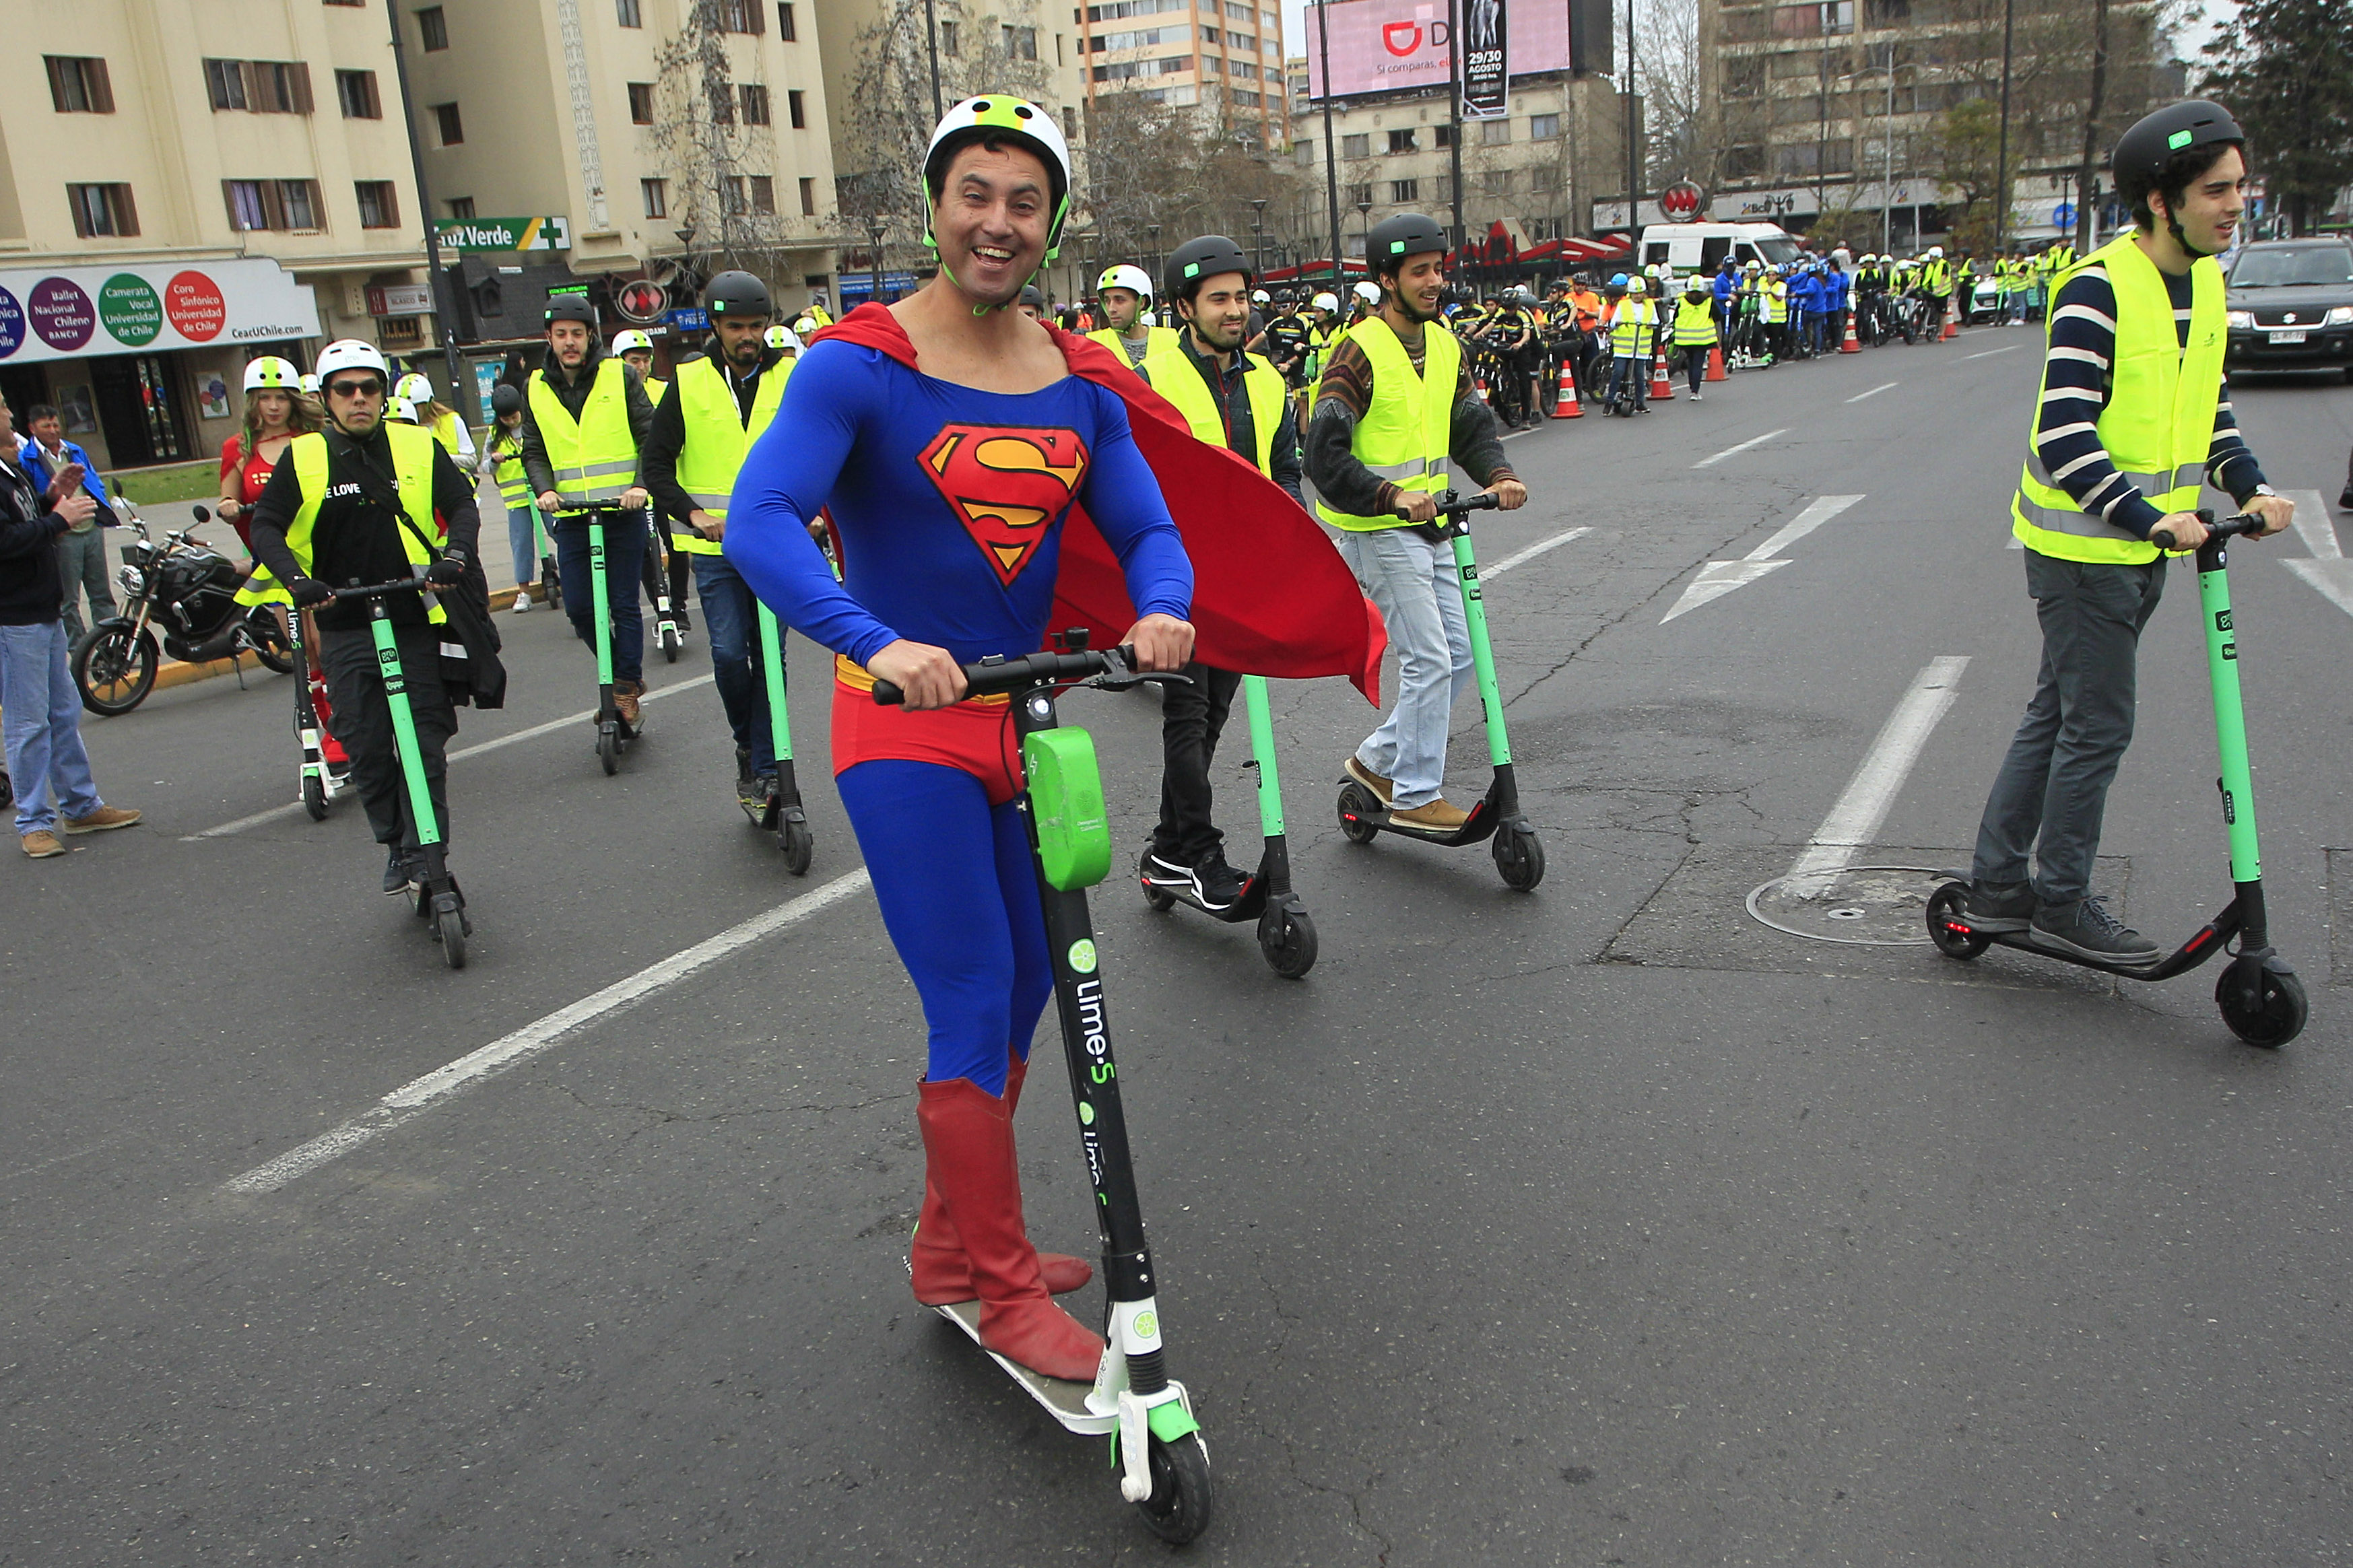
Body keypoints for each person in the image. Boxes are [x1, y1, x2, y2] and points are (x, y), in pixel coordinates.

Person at [728, 96, 1197, 1385]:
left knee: (1034, 989)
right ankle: (997, 1290)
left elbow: (1148, 528)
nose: (998, 221)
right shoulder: (855, 364)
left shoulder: (1076, 375)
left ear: (1051, 222)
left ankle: (951, 1244)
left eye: (1024, 200)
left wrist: (1162, 606)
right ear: (934, 205)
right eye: (974, 193)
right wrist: (869, 637)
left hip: (1022, 727)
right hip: (904, 731)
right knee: (969, 998)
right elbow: (759, 517)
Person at [1964, 100, 2294, 962]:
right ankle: (2057, 897)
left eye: (2239, 187)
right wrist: (2152, 518)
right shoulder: (2095, 288)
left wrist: (2251, 488)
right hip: (2084, 551)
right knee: (2095, 724)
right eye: (2215, 191)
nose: (2234, 204)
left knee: (2058, 715)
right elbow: (2062, 433)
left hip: (2144, 547)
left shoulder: (2209, 283)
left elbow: (2206, 415)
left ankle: (1999, 885)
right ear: (2159, 198)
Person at [1306, 211, 1525, 832]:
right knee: (1428, 658)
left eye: (1438, 270)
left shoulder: (1447, 343)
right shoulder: (1359, 350)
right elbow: (1325, 452)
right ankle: (1415, 793)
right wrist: (1389, 495)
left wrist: (1498, 475)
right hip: (1377, 528)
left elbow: (1470, 424)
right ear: (1387, 278)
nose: (1434, 282)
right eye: (1419, 272)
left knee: (1460, 655)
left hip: (1434, 525)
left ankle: (1377, 761)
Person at [244, 340, 480, 892]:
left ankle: (432, 854)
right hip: (345, 623)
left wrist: (456, 556)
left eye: (368, 387)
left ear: (382, 392)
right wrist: (298, 582)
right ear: (327, 399)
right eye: (345, 390)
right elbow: (266, 527)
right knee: (367, 746)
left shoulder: (418, 445)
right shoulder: (303, 457)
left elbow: (463, 504)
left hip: (413, 616)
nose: (358, 399)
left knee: (424, 745)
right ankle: (399, 845)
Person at [1133, 233, 1306, 908]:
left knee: (1211, 714)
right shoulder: (1153, 380)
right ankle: (1199, 854)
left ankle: (1164, 849)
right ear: (1185, 306)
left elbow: (1285, 471)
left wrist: (1286, 532)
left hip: (1242, 580)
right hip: (1178, 575)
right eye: (1219, 300)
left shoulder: (1267, 381)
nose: (1235, 310)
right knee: (1186, 711)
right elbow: (1135, 479)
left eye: (1241, 297)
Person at [641, 270, 796, 814]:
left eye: (756, 325)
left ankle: (769, 769)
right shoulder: (689, 382)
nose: (747, 336)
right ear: (715, 326)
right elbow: (655, 467)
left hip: (776, 549)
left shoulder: (790, 377)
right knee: (732, 657)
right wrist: (694, 514)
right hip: (715, 552)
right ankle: (747, 744)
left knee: (770, 661)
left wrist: (817, 510)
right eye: (736, 326)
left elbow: (819, 452)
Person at [0, 392, 139, 857]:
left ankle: (80, 805)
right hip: (13, 618)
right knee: (27, 723)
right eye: (3, 410)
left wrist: (48, 496)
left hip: (43, 609)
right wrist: (57, 520)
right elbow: (6, 540)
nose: (10, 416)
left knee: (63, 713)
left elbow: (24, 520)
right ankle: (33, 821)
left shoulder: (11, 471)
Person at [520, 297, 657, 728]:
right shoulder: (536, 387)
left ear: (590, 336)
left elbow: (649, 436)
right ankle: (623, 676)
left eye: (576, 333)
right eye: (560, 335)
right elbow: (534, 449)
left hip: (623, 510)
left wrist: (640, 484)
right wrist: (544, 489)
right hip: (574, 517)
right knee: (579, 607)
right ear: (549, 339)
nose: (569, 342)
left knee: (622, 602)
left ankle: (625, 688)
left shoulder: (620, 376)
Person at [17, 403, 119, 643]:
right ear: (32, 428)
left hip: (90, 528)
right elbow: (32, 497)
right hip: (64, 534)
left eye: (55, 425)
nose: (53, 431)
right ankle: (80, 648)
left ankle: (111, 643)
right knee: (69, 598)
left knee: (101, 593)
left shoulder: (74, 451)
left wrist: (99, 503)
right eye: (46, 426)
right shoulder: (27, 459)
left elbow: (93, 479)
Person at [478, 383, 540, 613]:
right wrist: (494, 460)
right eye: (505, 419)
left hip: (541, 494)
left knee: (560, 533)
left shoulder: (534, 426)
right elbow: (484, 467)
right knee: (521, 544)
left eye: (514, 416)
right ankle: (524, 591)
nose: (511, 422)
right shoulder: (494, 435)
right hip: (516, 501)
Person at [1086, 263, 1175, 368]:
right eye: (1107, 301)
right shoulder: (1092, 344)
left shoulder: (1172, 340)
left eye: (1120, 300)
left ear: (1142, 302)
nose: (1111, 309)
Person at [393, 372, 476, 465]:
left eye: (414, 406)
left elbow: (471, 460)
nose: (409, 411)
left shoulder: (452, 420)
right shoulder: (399, 427)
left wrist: (439, 457)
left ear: (427, 403)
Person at [1605, 273, 1658, 413]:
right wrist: (1617, 323)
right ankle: (1610, 401)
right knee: (1618, 372)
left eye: (1640, 293)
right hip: (1623, 349)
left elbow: (1656, 321)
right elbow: (1613, 322)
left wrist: (1651, 325)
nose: (1637, 296)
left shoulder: (1650, 305)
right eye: (1634, 294)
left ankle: (1640, 402)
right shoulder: (1623, 305)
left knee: (1640, 376)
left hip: (1640, 349)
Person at [1671, 280, 1717, 401]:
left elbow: (1675, 316)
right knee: (1698, 364)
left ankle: (1692, 386)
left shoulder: (1682, 301)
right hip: (1702, 339)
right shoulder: (1709, 301)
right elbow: (1718, 316)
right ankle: (1695, 391)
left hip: (1685, 339)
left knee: (1691, 363)